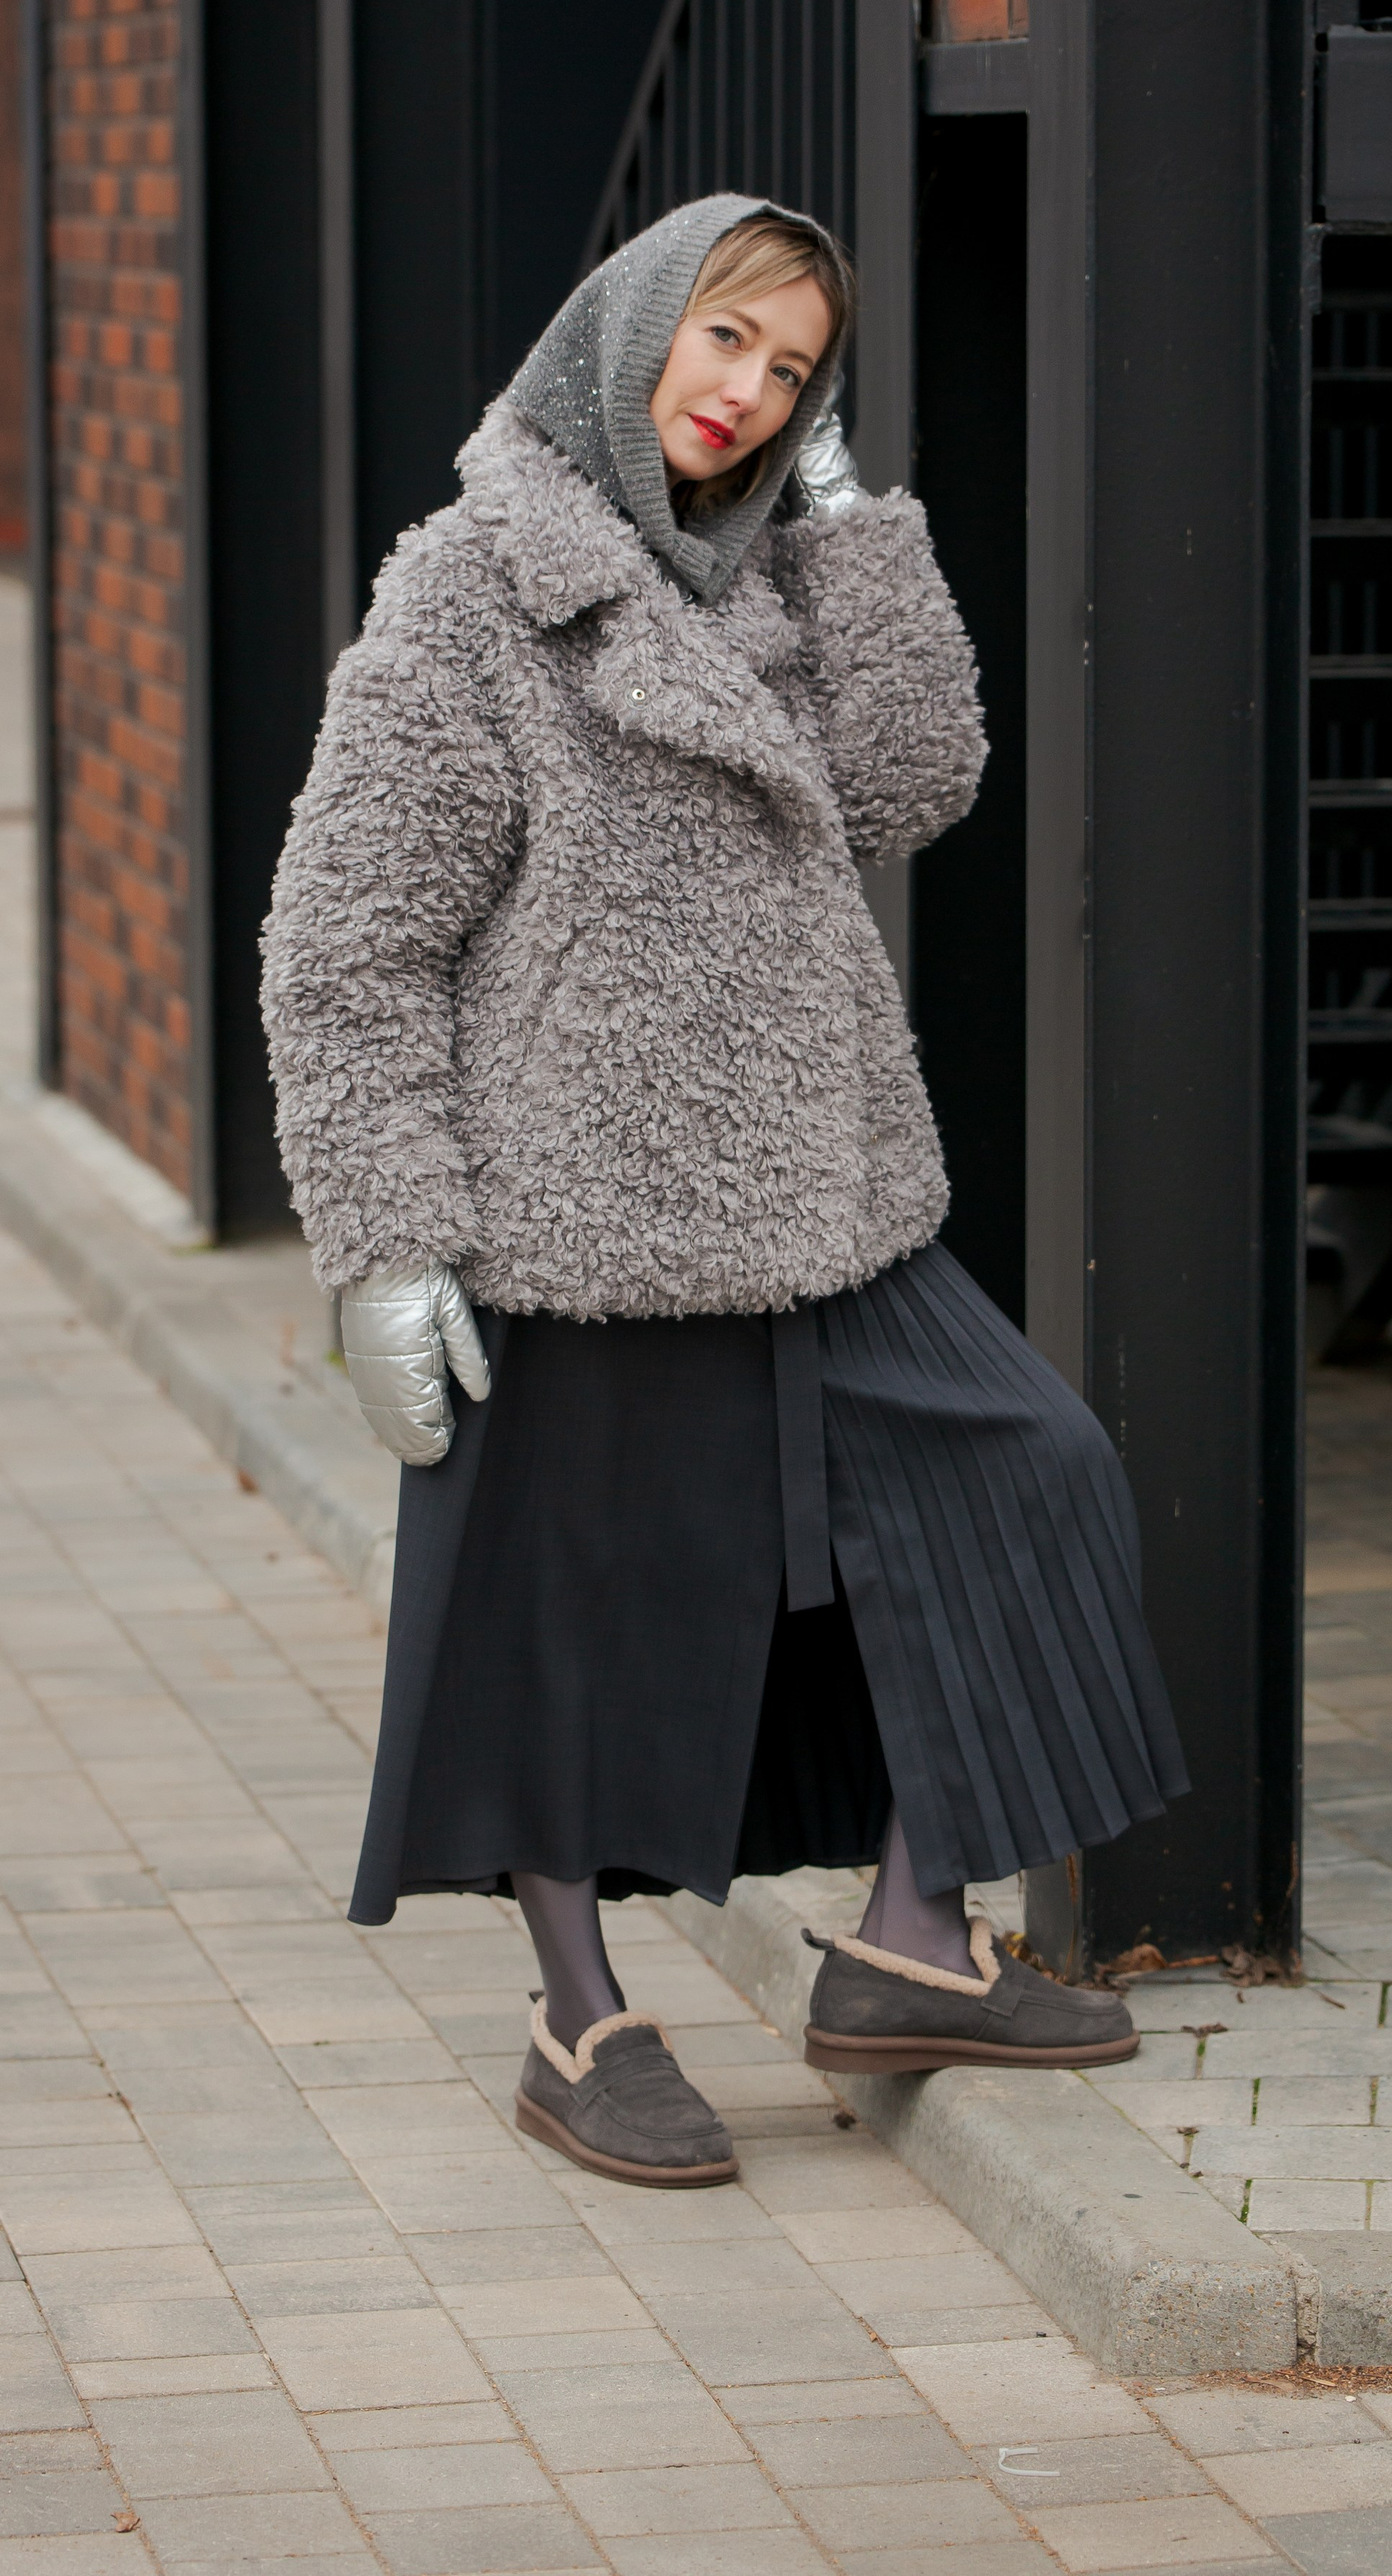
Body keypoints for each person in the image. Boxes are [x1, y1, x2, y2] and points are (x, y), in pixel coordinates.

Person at [263, 194, 1186, 2190]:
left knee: (1028, 1472)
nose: (749, 394)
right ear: (630, 333)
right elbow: (346, 942)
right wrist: (388, 1253)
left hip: (820, 1183)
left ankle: (908, 1941)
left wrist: (852, 518)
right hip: (577, 1209)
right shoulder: (469, 593)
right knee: (567, 1612)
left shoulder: (780, 573)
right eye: (726, 344)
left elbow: (920, 783)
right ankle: (577, 2016)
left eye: (792, 371)